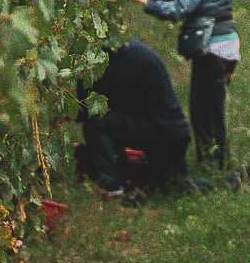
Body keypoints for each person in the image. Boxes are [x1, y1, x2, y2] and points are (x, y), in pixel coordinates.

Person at [128, 0, 239, 167]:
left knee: (205, 113)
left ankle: (213, 169)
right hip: (223, 42)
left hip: (214, 45)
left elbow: (179, 10)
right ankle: (215, 164)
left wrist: (148, 1)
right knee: (210, 110)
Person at [76, 39, 191, 194]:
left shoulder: (112, 64)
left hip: (162, 134)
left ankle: (112, 186)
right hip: (174, 132)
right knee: (172, 184)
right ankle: (224, 183)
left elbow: (85, 110)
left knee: (97, 123)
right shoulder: (133, 52)